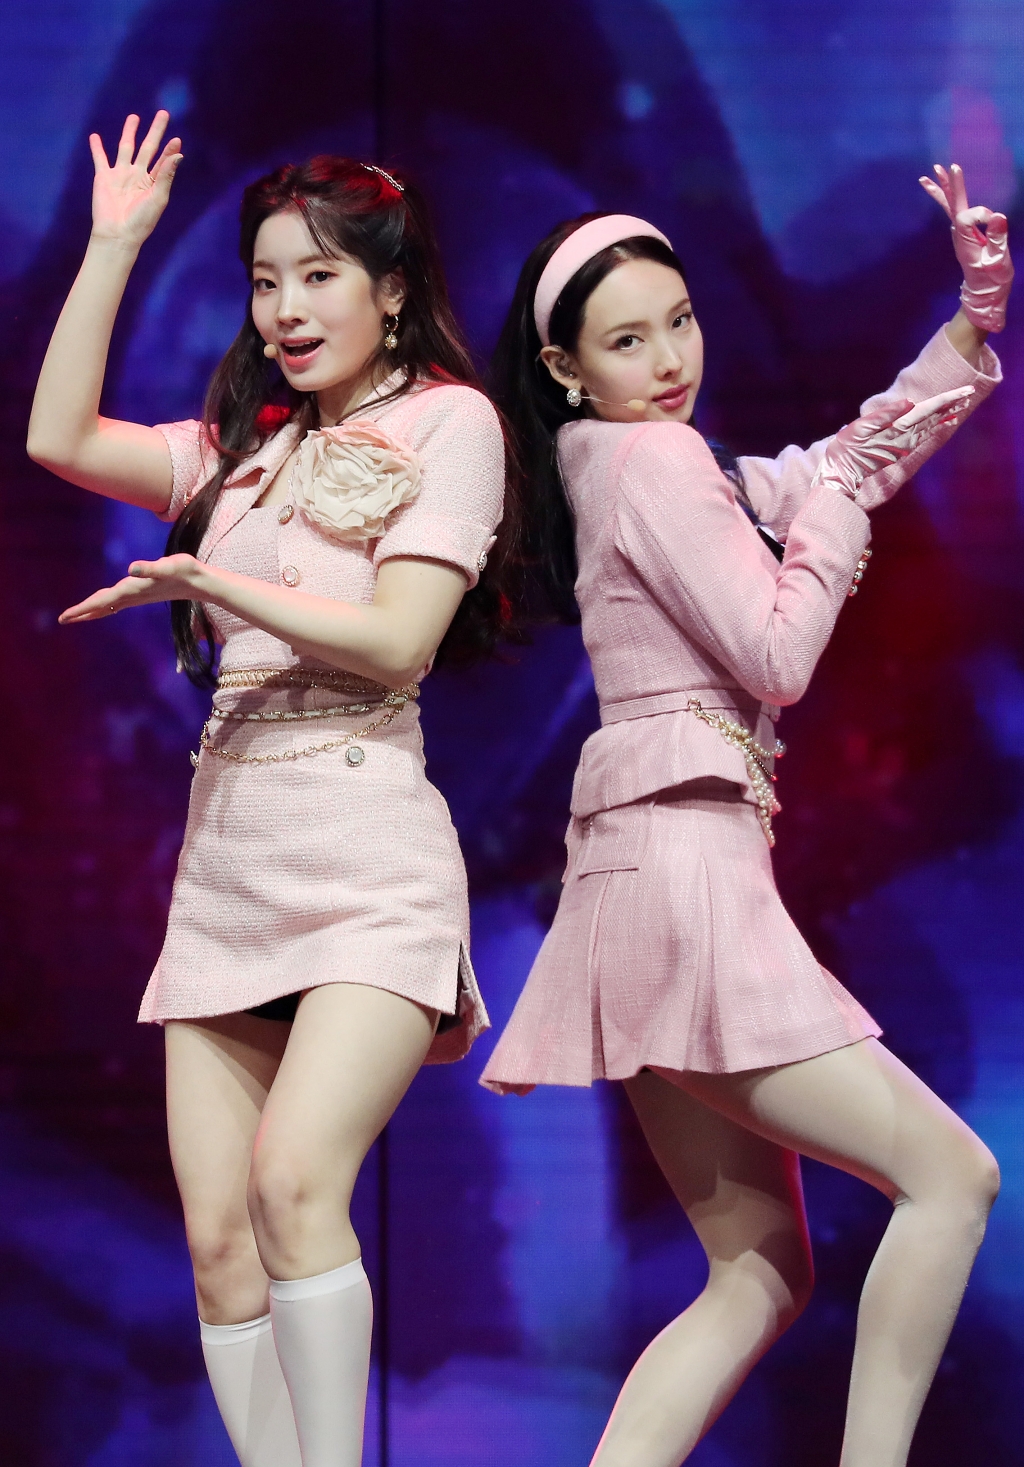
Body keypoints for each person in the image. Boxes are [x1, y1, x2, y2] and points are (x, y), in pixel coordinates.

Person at [480, 164, 1011, 1467]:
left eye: (680, 321)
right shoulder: (654, 460)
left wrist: (967, 329)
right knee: (954, 1179)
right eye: (627, 340)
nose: (670, 359)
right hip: (686, 878)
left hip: (640, 878)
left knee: (757, 1270)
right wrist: (827, 532)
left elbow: (835, 467)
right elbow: (779, 652)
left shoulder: (618, 458)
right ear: (562, 365)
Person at [28, 111, 508, 1467]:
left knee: (296, 1185)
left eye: (318, 276)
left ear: (392, 288)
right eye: (263, 280)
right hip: (230, 857)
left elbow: (400, 641)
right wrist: (114, 246)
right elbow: (59, 436)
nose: (286, 310)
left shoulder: (452, 422)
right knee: (219, 1243)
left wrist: (210, 582)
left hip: (368, 853)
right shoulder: (242, 450)